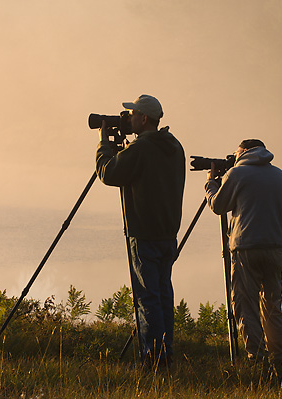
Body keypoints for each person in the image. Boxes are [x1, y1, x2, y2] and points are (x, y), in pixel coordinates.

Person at [95, 94, 185, 366]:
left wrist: (104, 145)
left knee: (147, 298)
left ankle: (153, 358)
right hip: (167, 233)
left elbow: (109, 173)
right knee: (163, 295)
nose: (129, 118)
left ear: (143, 118)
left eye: (133, 114)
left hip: (144, 233)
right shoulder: (174, 146)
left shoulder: (142, 148)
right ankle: (164, 352)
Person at [205, 139, 282, 375]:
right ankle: (280, 360)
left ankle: (256, 361)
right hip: (275, 248)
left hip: (245, 248)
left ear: (244, 151)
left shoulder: (237, 174)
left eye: (236, 153)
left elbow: (217, 206)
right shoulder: (281, 176)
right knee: (272, 307)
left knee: (246, 306)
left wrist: (211, 184)